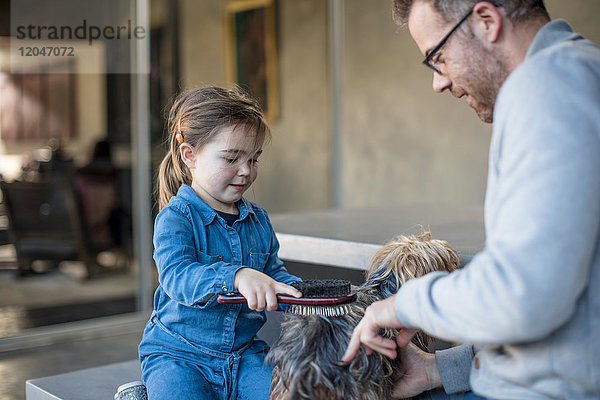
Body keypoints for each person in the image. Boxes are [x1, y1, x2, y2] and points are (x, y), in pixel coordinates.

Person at [343, 1, 600, 399]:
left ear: (486, 21)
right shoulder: (573, 75)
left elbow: (521, 294)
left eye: (438, 57)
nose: (438, 82)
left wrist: (399, 306)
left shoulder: (550, 88)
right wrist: (436, 370)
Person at [138, 86, 302, 399]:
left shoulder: (259, 220)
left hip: (244, 356)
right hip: (178, 356)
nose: (246, 171)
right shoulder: (176, 218)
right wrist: (236, 276)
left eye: (253, 159)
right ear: (190, 155)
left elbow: (273, 276)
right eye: (231, 158)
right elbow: (177, 277)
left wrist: (306, 298)